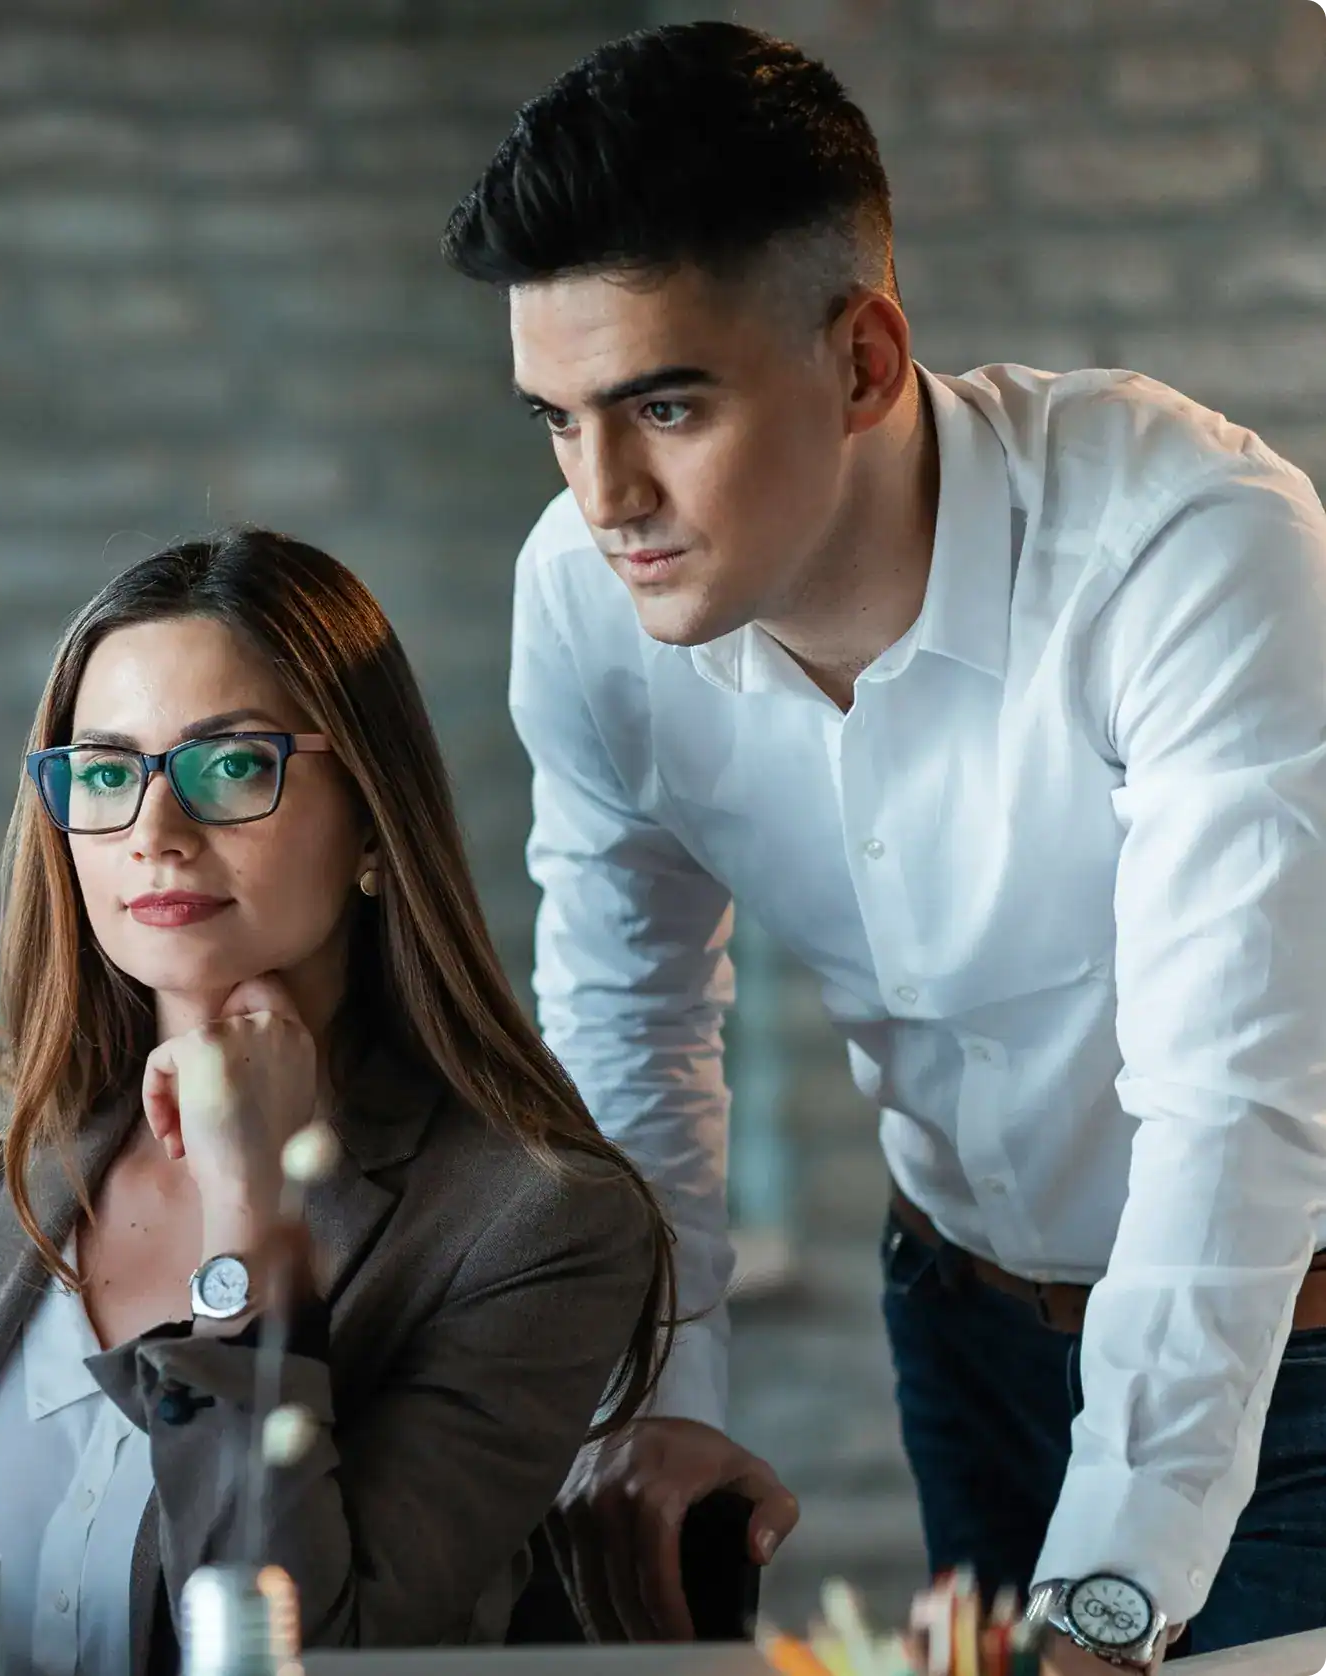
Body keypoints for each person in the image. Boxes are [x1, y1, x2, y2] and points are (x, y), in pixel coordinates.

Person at [442, 21, 1326, 1665]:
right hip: (962, 1326)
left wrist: (1111, 1587)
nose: (606, 493)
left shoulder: (1190, 548)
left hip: (1291, 1328)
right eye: (554, 421)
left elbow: (1235, 1107)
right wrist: (666, 1404)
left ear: (861, 360)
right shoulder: (582, 599)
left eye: (662, 404)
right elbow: (628, 1022)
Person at [0, 529, 674, 1676]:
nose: (153, 834)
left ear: (374, 820)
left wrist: (249, 1223)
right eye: (104, 771)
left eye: (231, 765)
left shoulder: (534, 1227)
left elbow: (302, 1656)